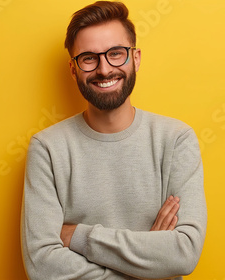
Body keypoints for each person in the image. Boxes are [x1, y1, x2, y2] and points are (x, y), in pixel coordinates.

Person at [20, 1, 207, 279]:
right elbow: (41, 264)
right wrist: (149, 265)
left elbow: (184, 252)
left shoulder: (176, 140)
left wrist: (78, 236)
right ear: (74, 70)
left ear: (136, 58)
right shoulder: (47, 149)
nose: (105, 69)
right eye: (88, 58)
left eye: (116, 54)